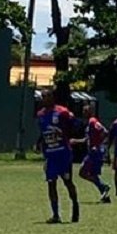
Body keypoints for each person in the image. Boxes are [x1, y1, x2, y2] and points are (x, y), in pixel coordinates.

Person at [36, 87, 80, 224]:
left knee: (67, 182)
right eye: (42, 97)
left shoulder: (62, 112)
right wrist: (39, 143)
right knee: (51, 183)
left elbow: (76, 125)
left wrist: (66, 134)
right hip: (50, 155)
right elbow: (43, 132)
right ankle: (55, 214)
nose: (44, 99)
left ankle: (75, 206)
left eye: (47, 96)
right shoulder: (41, 115)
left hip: (63, 153)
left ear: (52, 97)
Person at [76, 103, 112, 203]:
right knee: (93, 174)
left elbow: (105, 132)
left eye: (86, 111)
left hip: (94, 153)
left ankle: (103, 186)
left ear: (91, 112)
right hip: (93, 151)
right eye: (83, 111)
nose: (84, 113)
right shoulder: (89, 123)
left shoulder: (93, 121)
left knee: (82, 172)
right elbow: (87, 139)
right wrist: (75, 141)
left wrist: (97, 144)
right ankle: (104, 194)